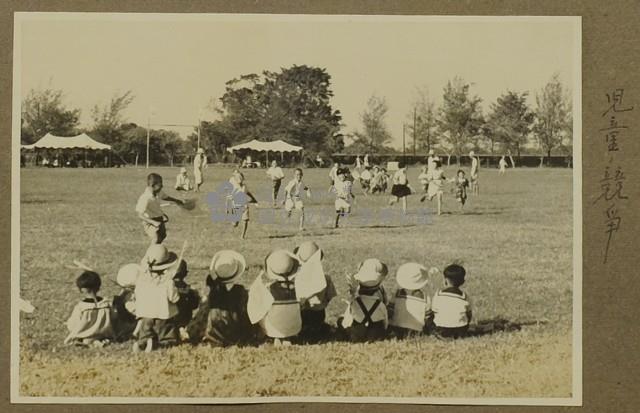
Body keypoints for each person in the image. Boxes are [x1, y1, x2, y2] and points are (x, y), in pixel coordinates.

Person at [186, 250, 255, 346]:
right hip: (237, 334)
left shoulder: (212, 294)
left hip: (214, 335)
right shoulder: (241, 291)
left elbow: (202, 318)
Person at [133, 245, 182, 352]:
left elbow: (137, 295)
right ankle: (161, 344)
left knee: (145, 332)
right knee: (167, 336)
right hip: (163, 316)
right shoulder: (168, 282)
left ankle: (143, 343)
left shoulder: (141, 280)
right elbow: (174, 298)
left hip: (145, 315)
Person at [249, 250, 303, 346]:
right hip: (295, 327)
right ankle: (287, 336)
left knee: (263, 310)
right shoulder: (298, 286)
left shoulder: (268, 288)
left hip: (273, 327)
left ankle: (275, 336)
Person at [293, 241, 337, 342]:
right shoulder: (325, 278)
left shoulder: (295, 278)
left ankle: (305, 329)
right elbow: (329, 297)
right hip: (318, 314)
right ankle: (317, 328)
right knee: (317, 323)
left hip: (300, 314)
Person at [338, 258, 389, 343]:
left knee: (341, 320)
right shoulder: (380, 303)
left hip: (358, 332)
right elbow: (385, 323)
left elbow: (347, 320)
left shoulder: (355, 302)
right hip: (375, 332)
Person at [64, 270, 114, 347]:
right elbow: (114, 317)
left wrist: (69, 324)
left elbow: (73, 324)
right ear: (98, 287)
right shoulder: (107, 303)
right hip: (104, 333)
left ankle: (89, 341)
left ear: (82, 290)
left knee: (79, 334)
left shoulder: (81, 307)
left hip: (86, 334)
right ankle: (98, 341)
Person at [136, 173, 184, 246]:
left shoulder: (158, 192)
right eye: (160, 185)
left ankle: (156, 253)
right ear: (153, 186)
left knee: (162, 236)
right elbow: (140, 215)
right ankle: (150, 256)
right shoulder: (145, 197)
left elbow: (166, 197)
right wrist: (153, 222)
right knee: (155, 238)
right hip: (149, 221)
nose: (162, 186)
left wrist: (177, 200)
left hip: (159, 218)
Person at [389, 263, 433, 338]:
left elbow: (390, 311)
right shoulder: (425, 297)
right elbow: (428, 317)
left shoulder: (396, 294)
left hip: (396, 329)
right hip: (416, 331)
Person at [431, 263, 472, 339]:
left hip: (441, 329)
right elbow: (469, 314)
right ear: (463, 281)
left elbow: (433, 311)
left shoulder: (438, 294)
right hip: (461, 330)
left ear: (445, 280)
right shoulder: (465, 296)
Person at [111, 263, 140, 342]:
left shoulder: (140, 293)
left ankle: (134, 333)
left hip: (136, 318)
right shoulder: (128, 292)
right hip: (130, 317)